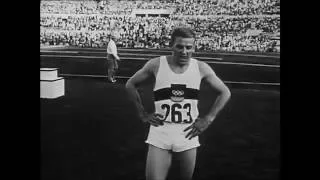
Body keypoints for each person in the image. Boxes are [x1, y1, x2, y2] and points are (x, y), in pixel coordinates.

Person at [125, 27, 231, 180]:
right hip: (160, 130)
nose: (184, 51)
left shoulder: (200, 67)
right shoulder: (156, 64)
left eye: (189, 47)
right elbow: (130, 84)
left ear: (194, 47)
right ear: (171, 45)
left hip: (187, 132)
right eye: (180, 46)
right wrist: (142, 113)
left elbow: (225, 92)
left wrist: (208, 119)